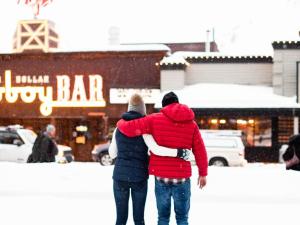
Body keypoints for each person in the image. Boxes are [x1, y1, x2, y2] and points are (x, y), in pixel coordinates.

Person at [117, 91, 208, 225]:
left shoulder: (154, 119)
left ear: (164, 106)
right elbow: (200, 150)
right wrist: (203, 174)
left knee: (163, 217)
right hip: (182, 177)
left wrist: (120, 122)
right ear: (177, 102)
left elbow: (129, 128)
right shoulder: (191, 124)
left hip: (161, 178)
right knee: (182, 218)